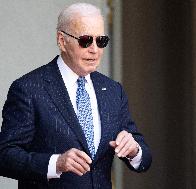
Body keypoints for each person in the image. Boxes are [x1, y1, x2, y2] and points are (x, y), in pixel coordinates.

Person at [0, 3, 151, 189]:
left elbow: (144, 156)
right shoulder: (29, 89)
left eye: (101, 41)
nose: (95, 49)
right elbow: (5, 155)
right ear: (62, 41)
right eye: (86, 40)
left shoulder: (113, 90)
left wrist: (134, 149)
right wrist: (56, 163)